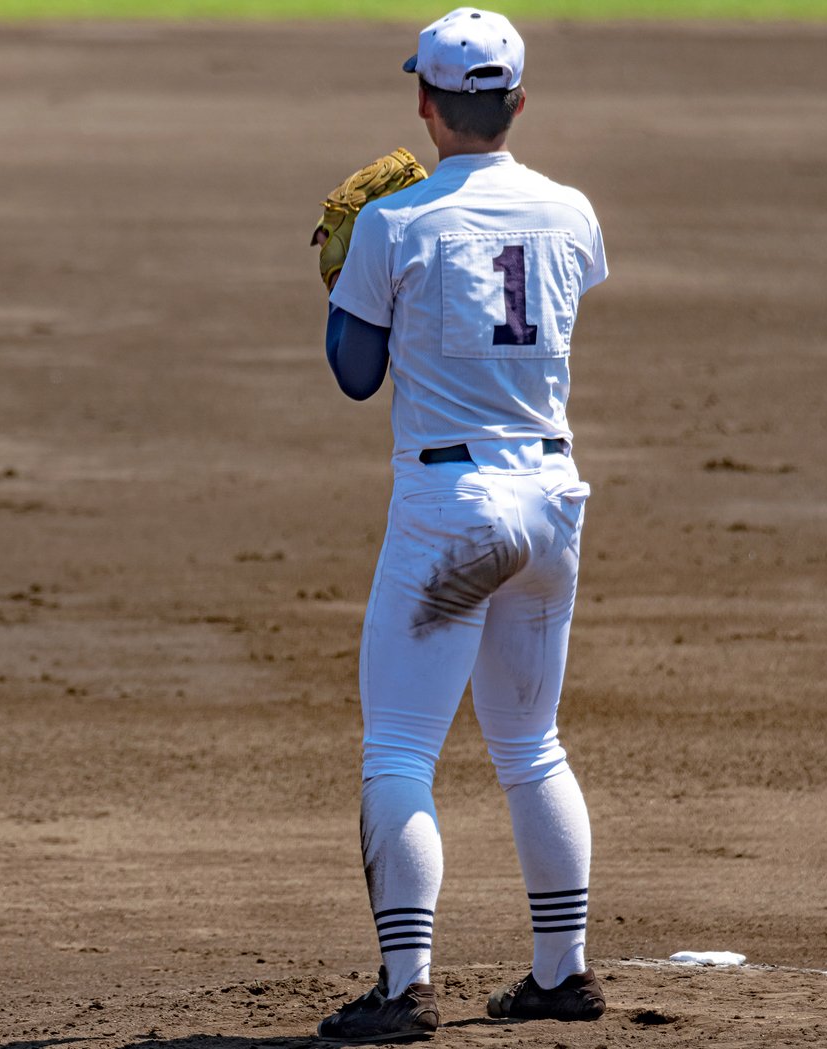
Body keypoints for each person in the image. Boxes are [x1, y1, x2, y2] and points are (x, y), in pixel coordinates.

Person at [309, 8, 611, 1041]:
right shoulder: (572, 212)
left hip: (450, 512)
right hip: (551, 504)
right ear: (518, 102)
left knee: (398, 748)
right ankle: (560, 972)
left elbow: (355, 377)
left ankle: (404, 988)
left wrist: (345, 282)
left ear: (425, 105)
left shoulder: (396, 225)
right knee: (532, 744)